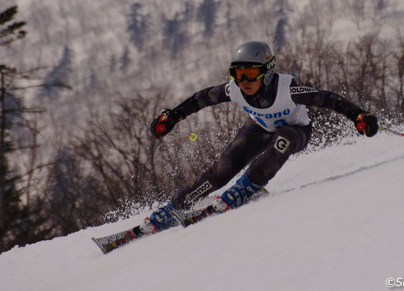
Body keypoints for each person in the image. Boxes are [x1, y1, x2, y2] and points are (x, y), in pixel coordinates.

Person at [141, 40, 379, 233]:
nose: (243, 81)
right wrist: (172, 117)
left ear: (266, 72)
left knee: (284, 138)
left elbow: (328, 98)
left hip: (296, 132)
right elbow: (201, 98)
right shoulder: (233, 89)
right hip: (259, 129)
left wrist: (359, 116)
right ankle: (173, 207)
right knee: (222, 171)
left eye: (250, 74)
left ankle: (248, 186)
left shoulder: (287, 89)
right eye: (237, 74)